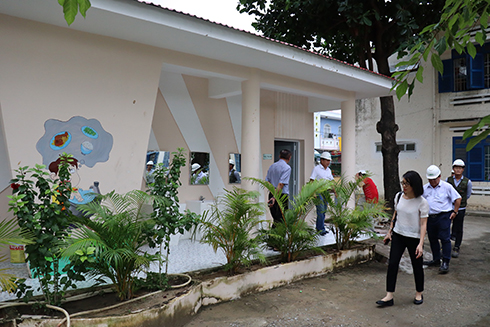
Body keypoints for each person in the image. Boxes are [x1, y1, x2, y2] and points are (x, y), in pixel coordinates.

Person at [377, 171, 429, 307]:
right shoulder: (399, 196)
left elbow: (423, 224)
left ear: (415, 185)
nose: (404, 186)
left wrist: (421, 244)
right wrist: (390, 232)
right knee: (393, 263)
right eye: (403, 183)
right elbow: (396, 214)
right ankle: (389, 295)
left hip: (414, 237)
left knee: (417, 266)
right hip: (398, 235)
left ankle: (419, 292)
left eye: (407, 184)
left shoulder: (422, 202)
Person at [422, 165, 461, 274]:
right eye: (431, 179)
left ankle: (445, 262)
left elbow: (458, 198)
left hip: (443, 216)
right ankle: (436, 259)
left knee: (445, 239)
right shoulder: (425, 188)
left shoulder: (446, 187)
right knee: (432, 239)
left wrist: (455, 212)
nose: (433, 181)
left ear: (439, 176)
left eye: (435, 179)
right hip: (430, 217)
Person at [446, 159, 472, 258]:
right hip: (449, 207)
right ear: (453, 169)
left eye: (460, 168)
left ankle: (457, 246)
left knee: (459, 227)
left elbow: (468, 194)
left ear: (463, 170)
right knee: (446, 225)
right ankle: (445, 244)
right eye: (456, 168)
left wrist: (460, 202)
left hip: (461, 208)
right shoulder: (448, 180)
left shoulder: (467, 182)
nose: (458, 170)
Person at [309, 152, 334, 235]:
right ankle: (320, 229)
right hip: (318, 192)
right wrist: (313, 193)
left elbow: (332, 181)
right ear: (322, 160)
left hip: (326, 192)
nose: (328, 162)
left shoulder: (329, 170)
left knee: (324, 211)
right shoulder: (316, 169)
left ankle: (320, 227)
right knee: (320, 210)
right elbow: (311, 181)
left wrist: (335, 191)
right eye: (327, 160)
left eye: (329, 161)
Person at [265, 149, 292, 226]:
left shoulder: (272, 166)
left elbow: (267, 181)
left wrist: (273, 193)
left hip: (271, 194)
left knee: (276, 219)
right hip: (281, 196)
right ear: (289, 158)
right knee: (282, 219)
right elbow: (281, 184)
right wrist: (275, 197)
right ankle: (279, 237)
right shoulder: (287, 168)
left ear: (279, 156)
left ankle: (273, 236)